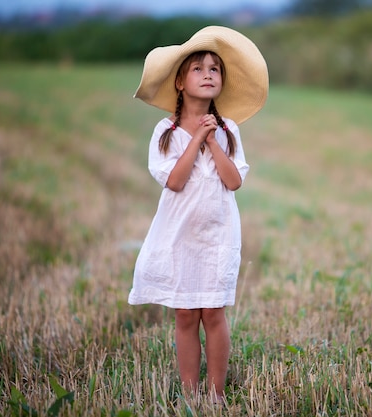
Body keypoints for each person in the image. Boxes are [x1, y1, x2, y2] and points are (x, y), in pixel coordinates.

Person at [128, 26, 268, 404]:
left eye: (215, 69)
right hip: (180, 236)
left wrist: (212, 139)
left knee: (214, 314)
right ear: (179, 82)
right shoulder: (167, 131)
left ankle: (216, 393)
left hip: (218, 236)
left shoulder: (229, 130)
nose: (208, 74)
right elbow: (173, 181)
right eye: (198, 68)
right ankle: (191, 394)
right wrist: (195, 139)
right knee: (186, 317)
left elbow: (233, 180)